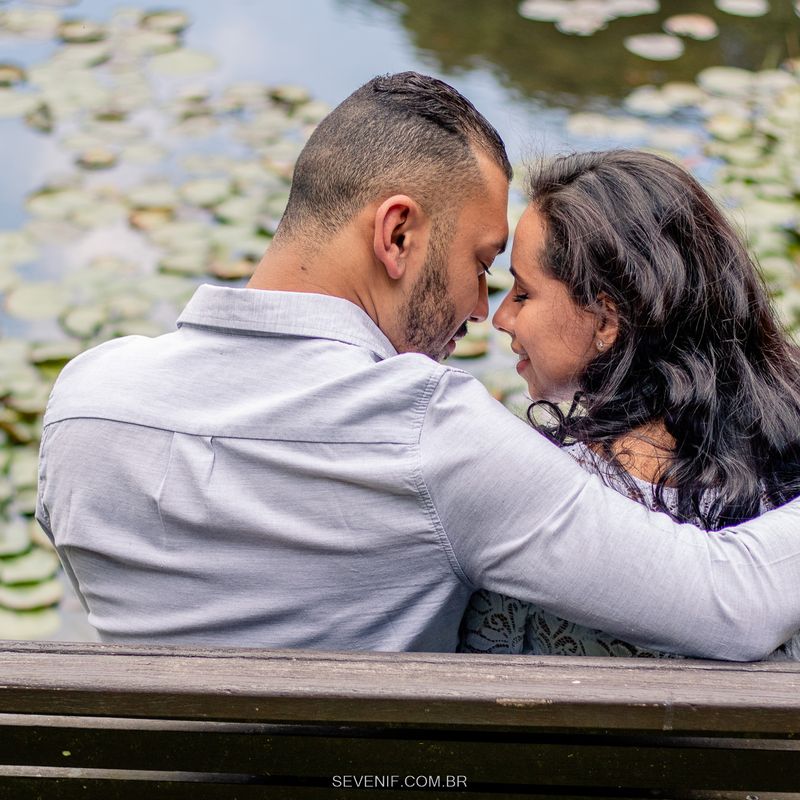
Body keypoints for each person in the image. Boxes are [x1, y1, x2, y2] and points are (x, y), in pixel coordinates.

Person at [36, 73, 800, 657]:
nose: (479, 310)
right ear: (397, 234)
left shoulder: (83, 402)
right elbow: (730, 603)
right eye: (480, 262)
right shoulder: (429, 433)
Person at [460, 149, 800, 660]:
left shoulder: (540, 497)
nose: (500, 317)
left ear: (606, 322)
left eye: (523, 294)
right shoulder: (781, 481)